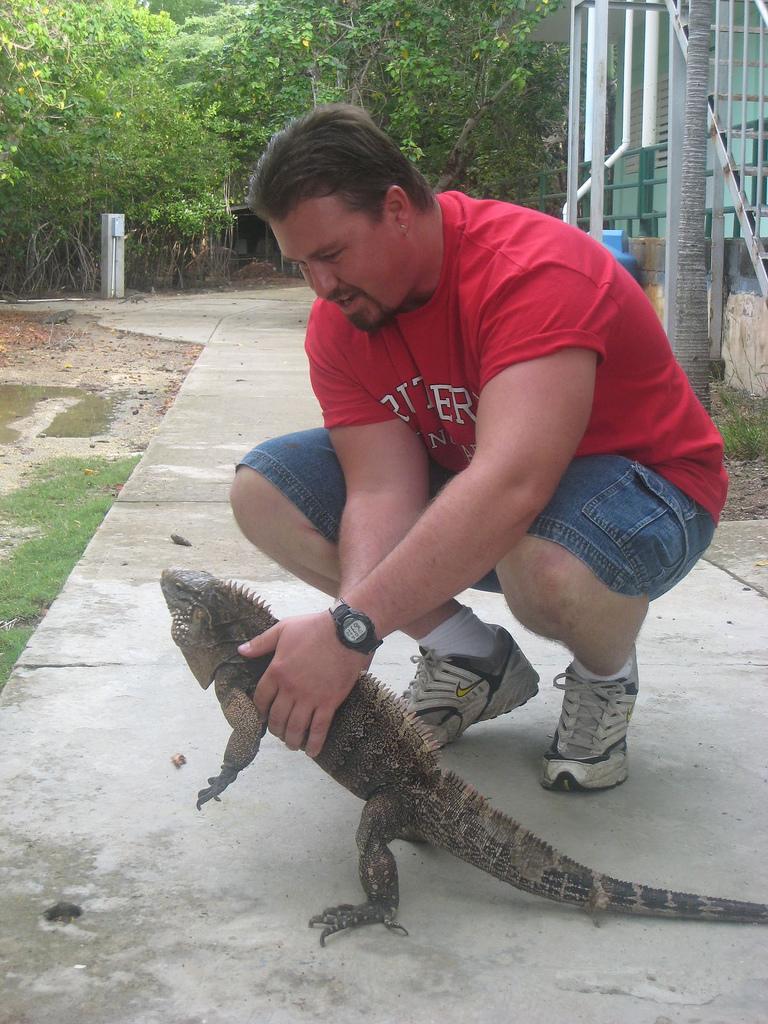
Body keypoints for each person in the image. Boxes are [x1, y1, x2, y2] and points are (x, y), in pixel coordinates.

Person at [230, 103, 726, 791]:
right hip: (491, 489)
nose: (321, 286)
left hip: (647, 492)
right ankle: (470, 659)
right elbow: (380, 491)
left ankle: (606, 677)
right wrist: (358, 624)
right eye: (303, 264)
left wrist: (350, 630)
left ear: (398, 209)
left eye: (332, 255)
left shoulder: (530, 271)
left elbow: (512, 484)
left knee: (546, 561)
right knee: (264, 492)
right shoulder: (343, 321)